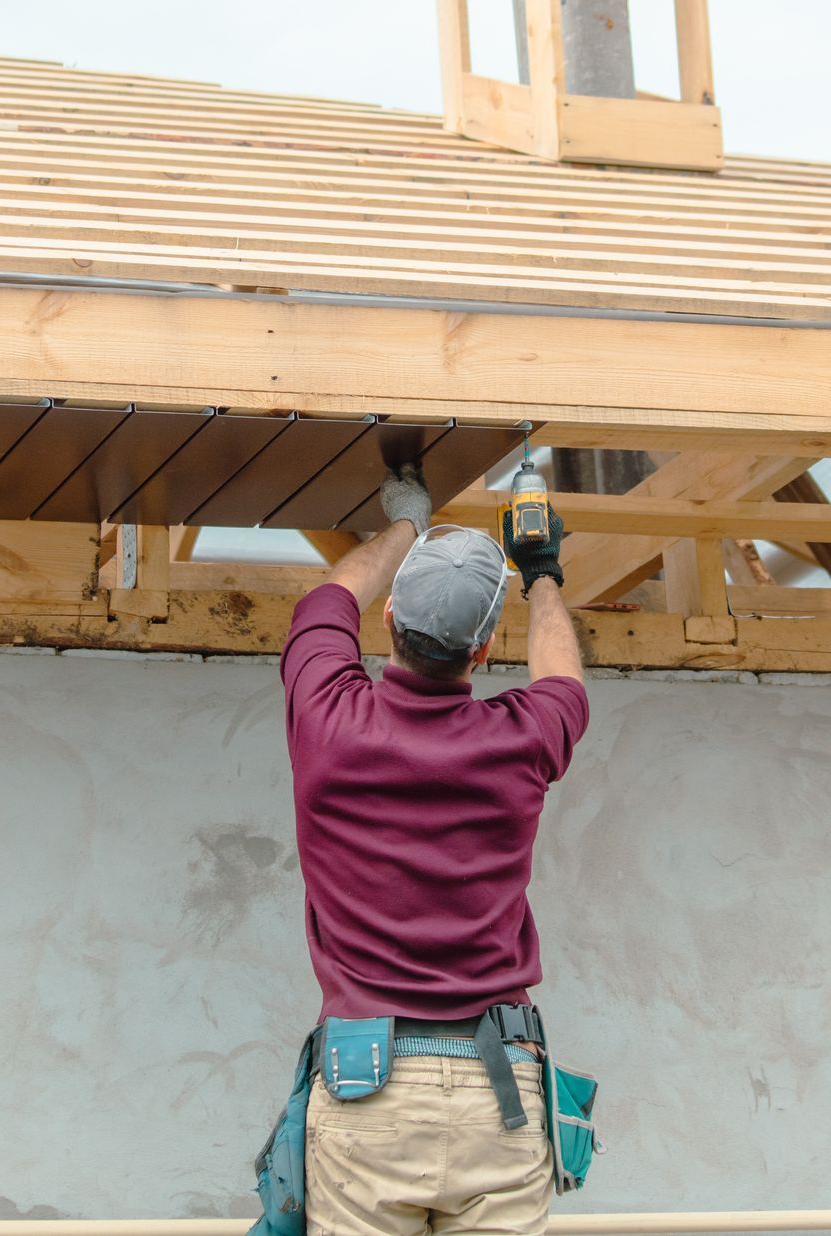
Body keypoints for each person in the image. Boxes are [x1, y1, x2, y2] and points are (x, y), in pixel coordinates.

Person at [278, 463, 588, 1236]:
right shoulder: (520, 740)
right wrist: (542, 572)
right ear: (483, 652)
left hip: (366, 1086)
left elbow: (329, 600)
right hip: (500, 1096)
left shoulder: (327, 720)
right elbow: (564, 681)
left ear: (388, 621)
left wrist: (409, 521)